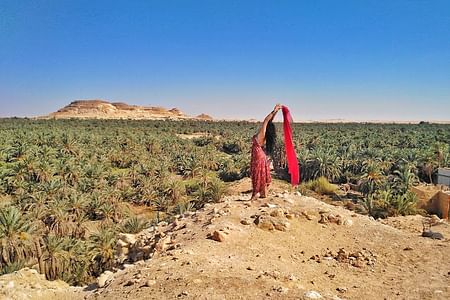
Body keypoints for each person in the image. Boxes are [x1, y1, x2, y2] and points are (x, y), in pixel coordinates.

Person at [250, 104, 282, 200]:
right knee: (262, 174)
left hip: (258, 155)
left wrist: (274, 110)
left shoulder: (262, 134)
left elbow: (266, 120)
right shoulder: (265, 135)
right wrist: (276, 113)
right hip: (262, 155)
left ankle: (255, 194)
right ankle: (263, 193)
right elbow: (269, 121)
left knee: (257, 174)